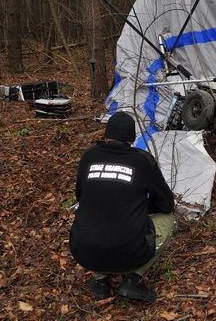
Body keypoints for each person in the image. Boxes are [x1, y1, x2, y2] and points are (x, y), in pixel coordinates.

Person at [69, 112, 175, 303]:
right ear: (132, 138)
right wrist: (140, 207)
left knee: (93, 217)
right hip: (129, 250)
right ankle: (133, 279)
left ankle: (101, 281)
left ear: (106, 135)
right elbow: (167, 204)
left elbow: (81, 197)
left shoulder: (89, 157)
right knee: (169, 218)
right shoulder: (142, 161)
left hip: (84, 250)